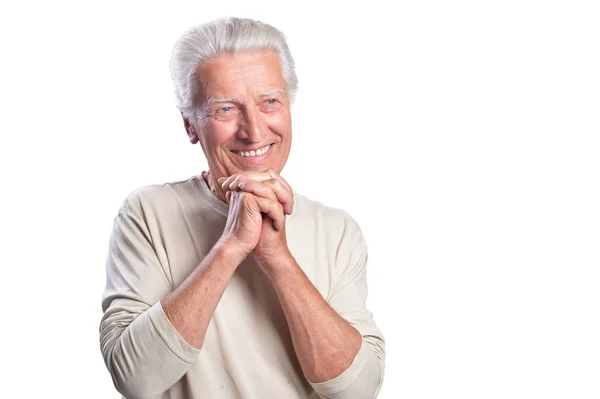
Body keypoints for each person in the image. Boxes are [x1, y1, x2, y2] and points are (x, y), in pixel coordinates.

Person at [99, 17, 385, 399]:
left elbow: (359, 390)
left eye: (269, 102)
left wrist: (277, 256)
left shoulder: (336, 230)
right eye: (226, 110)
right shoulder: (147, 213)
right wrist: (230, 246)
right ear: (190, 125)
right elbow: (135, 379)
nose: (253, 129)